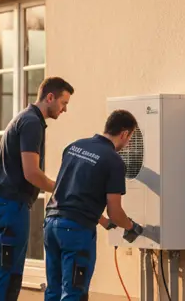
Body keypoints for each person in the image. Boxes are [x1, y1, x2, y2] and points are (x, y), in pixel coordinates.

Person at [0, 76, 74, 301]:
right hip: (9, 206)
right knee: (8, 274)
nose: (64, 110)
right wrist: (61, 189)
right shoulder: (32, 122)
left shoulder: (25, 118)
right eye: (64, 103)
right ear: (49, 97)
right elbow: (31, 173)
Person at [42, 109, 144, 301]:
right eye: (130, 138)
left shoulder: (74, 146)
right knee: (74, 293)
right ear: (124, 133)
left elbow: (75, 193)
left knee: (53, 291)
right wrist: (131, 226)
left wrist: (104, 222)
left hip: (51, 225)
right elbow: (115, 211)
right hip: (76, 232)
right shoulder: (114, 161)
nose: (129, 143)